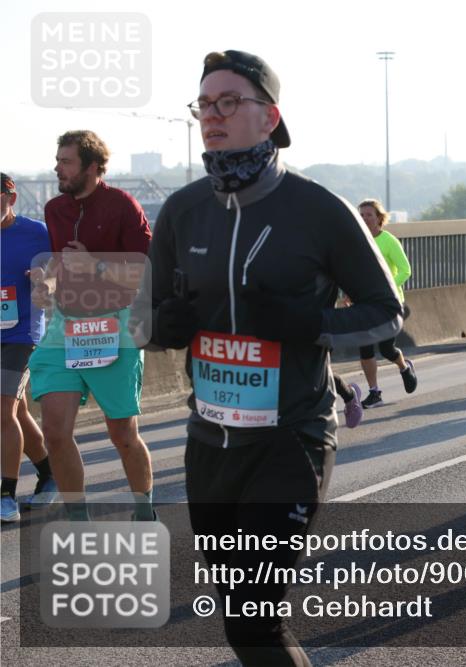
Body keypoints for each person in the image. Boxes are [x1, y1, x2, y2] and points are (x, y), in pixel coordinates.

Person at [133, 49, 403, 665]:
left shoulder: (318, 210)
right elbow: (143, 319)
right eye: (204, 104)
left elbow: (387, 312)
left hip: (291, 438)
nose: (212, 116)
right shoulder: (182, 210)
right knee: (240, 621)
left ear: (269, 115)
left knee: (259, 621)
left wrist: (309, 324)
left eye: (229, 102)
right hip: (209, 443)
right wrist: (160, 327)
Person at [27, 131, 154, 521]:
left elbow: (143, 276)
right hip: (64, 327)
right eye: (58, 160)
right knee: (55, 432)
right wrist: (45, 284)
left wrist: (96, 265)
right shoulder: (53, 209)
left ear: (93, 166)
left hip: (115, 325)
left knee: (122, 435)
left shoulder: (124, 206)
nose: (57, 168)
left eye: (66, 161)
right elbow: (58, 264)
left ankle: (143, 508)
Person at [1, 173, 56, 522]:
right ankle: (50, 473)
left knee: (2, 409)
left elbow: (57, 271)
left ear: (11, 198)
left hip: (21, 333)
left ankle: (5, 494)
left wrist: (45, 281)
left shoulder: (36, 232)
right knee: (15, 413)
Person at [355, 198, 417, 407]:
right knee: (365, 348)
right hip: (364, 302)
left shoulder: (388, 240)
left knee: (386, 349)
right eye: (361, 215)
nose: (365, 218)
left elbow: (405, 270)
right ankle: (375, 392)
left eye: (369, 215)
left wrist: (386, 288)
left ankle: (404, 367)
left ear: (379, 218)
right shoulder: (356, 240)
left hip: (388, 302)